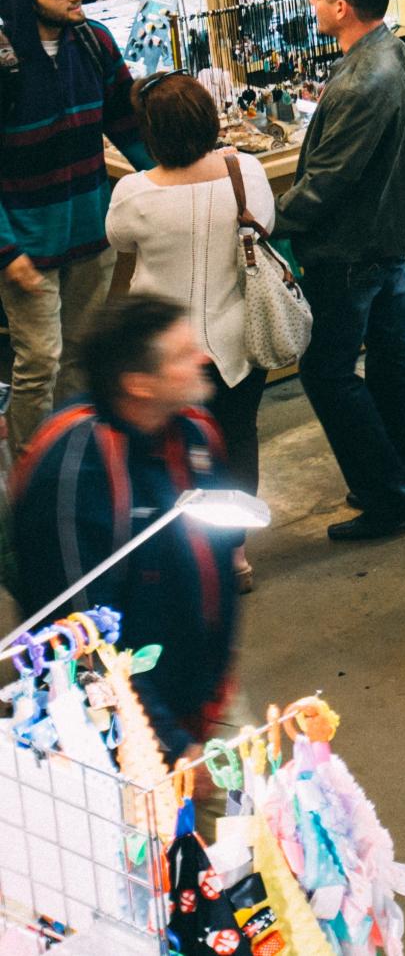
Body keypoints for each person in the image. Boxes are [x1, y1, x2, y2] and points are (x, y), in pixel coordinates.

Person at [7, 295, 238, 754]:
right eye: (182, 356)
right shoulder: (76, 471)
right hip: (117, 731)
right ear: (139, 384)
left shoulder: (194, 429)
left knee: (252, 816)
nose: (204, 358)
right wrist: (167, 745)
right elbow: (82, 640)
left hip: (204, 708)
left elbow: (220, 567)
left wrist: (215, 694)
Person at [272, 0, 405, 538]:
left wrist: (269, 219)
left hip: (350, 252)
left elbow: (329, 182)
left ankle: (391, 495)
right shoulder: (395, 54)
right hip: (385, 242)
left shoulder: (366, 79)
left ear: (341, 7)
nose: (311, 4)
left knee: (327, 373)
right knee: (394, 364)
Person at [106, 73, 274, 586]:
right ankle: (234, 556)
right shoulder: (245, 171)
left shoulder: (133, 193)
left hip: (164, 356)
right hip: (236, 343)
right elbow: (267, 225)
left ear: (150, 132)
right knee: (237, 442)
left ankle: (179, 559)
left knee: (165, 454)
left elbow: (120, 243)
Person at [0, 0, 148, 453]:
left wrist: (169, 174)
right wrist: (6, 251)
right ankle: (30, 476)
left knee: (80, 357)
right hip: (28, 244)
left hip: (91, 231)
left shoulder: (95, 42)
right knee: (39, 363)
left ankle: (73, 458)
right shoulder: (5, 65)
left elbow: (125, 123)